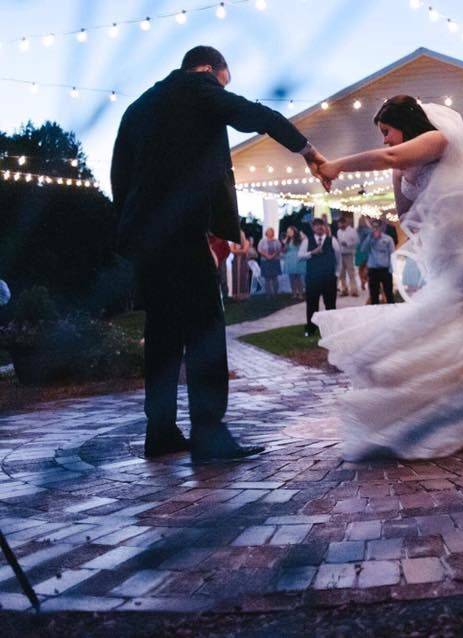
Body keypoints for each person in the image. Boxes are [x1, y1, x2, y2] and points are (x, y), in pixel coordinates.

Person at [111, 45, 326, 462]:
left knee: (163, 336)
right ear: (209, 69)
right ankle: (208, 436)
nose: (222, 89)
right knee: (205, 329)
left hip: (146, 239)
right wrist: (307, 150)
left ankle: (160, 433)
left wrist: (135, 227)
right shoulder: (197, 87)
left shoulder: (136, 109)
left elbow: (119, 175)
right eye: (223, 81)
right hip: (181, 232)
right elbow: (256, 115)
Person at [314, 95, 463, 460]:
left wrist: (336, 166)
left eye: (387, 131)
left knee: (433, 324)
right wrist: (397, 171)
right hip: (445, 257)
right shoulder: (405, 161)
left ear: (405, 124)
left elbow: (389, 155)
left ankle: (447, 416)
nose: (384, 141)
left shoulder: (437, 140)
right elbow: (404, 212)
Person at [300, 217, 340, 335]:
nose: (319, 227)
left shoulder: (332, 240)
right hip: (313, 278)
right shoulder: (307, 241)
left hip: (329, 278)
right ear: (313, 228)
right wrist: (312, 253)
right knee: (312, 304)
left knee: (330, 304)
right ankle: (311, 328)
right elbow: (300, 256)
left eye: (321, 225)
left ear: (325, 227)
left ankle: (331, 329)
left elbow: (338, 258)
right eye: (316, 225)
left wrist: (336, 273)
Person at [361, 219, 396, 304]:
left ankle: (392, 313)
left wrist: (391, 269)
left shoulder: (388, 239)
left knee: (389, 294)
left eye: (377, 227)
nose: (375, 229)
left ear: (381, 228)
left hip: (385, 270)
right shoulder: (369, 238)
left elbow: (392, 255)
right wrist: (370, 238)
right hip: (373, 270)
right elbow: (363, 249)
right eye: (374, 227)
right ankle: (375, 314)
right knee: (374, 295)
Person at [336, 217, 360, 297]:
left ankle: (354, 290)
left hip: (349, 253)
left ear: (345, 223)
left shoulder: (352, 231)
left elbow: (357, 241)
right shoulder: (338, 231)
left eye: (342, 223)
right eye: (339, 224)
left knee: (351, 273)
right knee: (341, 273)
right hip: (340, 254)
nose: (340, 225)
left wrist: (348, 244)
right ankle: (344, 289)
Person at [257, 227, 282, 295]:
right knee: (267, 278)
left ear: (273, 233)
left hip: (275, 261)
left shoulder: (276, 241)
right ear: (266, 233)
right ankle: (268, 294)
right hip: (265, 261)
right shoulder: (262, 241)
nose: (269, 233)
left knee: (275, 277)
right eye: (268, 231)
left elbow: (279, 249)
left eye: (271, 231)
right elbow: (259, 249)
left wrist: (273, 255)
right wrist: (266, 255)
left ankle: (275, 293)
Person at [282, 225, 306, 299]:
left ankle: (301, 293)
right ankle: (294, 293)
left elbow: (304, 244)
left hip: (297, 258)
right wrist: (285, 243)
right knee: (291, 277)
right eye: (288, 232)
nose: (288, 233)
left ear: (294, 231)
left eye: (290, 231)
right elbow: (285, 250)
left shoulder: (299, 238)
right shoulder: (288, 240)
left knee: (298, 277)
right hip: (289, 259)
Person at [229, 230, 251, 300]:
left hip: (243, 261)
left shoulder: (246, 242)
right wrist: (239, 251)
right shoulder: (234, 243)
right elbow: (231, 250)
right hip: (235, 262)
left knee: (243, 277)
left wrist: (237, 251)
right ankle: (236, 295)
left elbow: (244, 251)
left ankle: (243, 295)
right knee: (235, 277)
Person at [354, 216, 372, 293]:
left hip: (358, 250)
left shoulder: (356, 230)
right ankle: (366, 280)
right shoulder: (369, 230)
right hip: (366, 250)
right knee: (367, 267)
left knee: (360, 268)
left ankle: (362, 281)